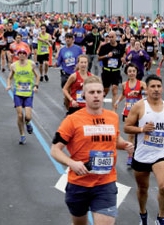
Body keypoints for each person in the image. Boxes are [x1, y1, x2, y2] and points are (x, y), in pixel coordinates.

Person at [50, 75, 134, 225]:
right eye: (91, 92)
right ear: (84, 95)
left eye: (99, 92)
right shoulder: (72, 120)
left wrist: (125, 145)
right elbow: (55, 150)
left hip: (105, 183)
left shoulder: (112, 117)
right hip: (79, 184)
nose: (96, 95)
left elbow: (114, 140)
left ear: (103, 94)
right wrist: (72, 163)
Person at [124, 74, 164, 225]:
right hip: (141, 155)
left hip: (160, 153)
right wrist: (142, 129)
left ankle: (161, 218)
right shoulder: (139, 106)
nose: (156, 89)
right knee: (142, 189)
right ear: (146, 89)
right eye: (152, 86)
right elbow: (127, 127)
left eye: (158, 86)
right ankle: (143, 215)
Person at [114, 63, 146, 166]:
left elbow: (148, 93)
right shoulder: (124, 84)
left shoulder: (141, 84)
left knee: (140, 134)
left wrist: (139, 92)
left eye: (133, 71)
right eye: (130, 71)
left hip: (140, 112)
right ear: (127, 73)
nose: (132, 73)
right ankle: (130, 156)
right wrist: (117, 102)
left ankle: (140, 154)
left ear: (137, 72)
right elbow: (124, 94)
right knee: (131, 134)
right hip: (128, 112)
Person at [5, 48, 40, 144]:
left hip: (28, 93)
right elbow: (9, 78)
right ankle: (22, 135)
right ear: (17, 55)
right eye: (20, 53)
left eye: (23, 53)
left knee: (28, 117)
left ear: (26, 55)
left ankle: (28, 123)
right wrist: (8, 85)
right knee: (20, 115)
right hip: (18, 93)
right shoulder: (14, 66)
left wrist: (36, 86)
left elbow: (37, 76)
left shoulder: (31, 64)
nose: (21, 55)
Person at [98, 31, 126, 107]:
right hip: (106, 71)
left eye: (112, 37)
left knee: (115, 89)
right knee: (105, 91)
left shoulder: (121, 47)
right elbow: (98, 58)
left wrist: (124, 60)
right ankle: (98, 104)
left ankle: (114, 110)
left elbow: (124, 56)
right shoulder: (104, 47)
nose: (110, 39)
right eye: (109, 37)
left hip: (116, 71)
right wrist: (106, 56)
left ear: (116, 37)